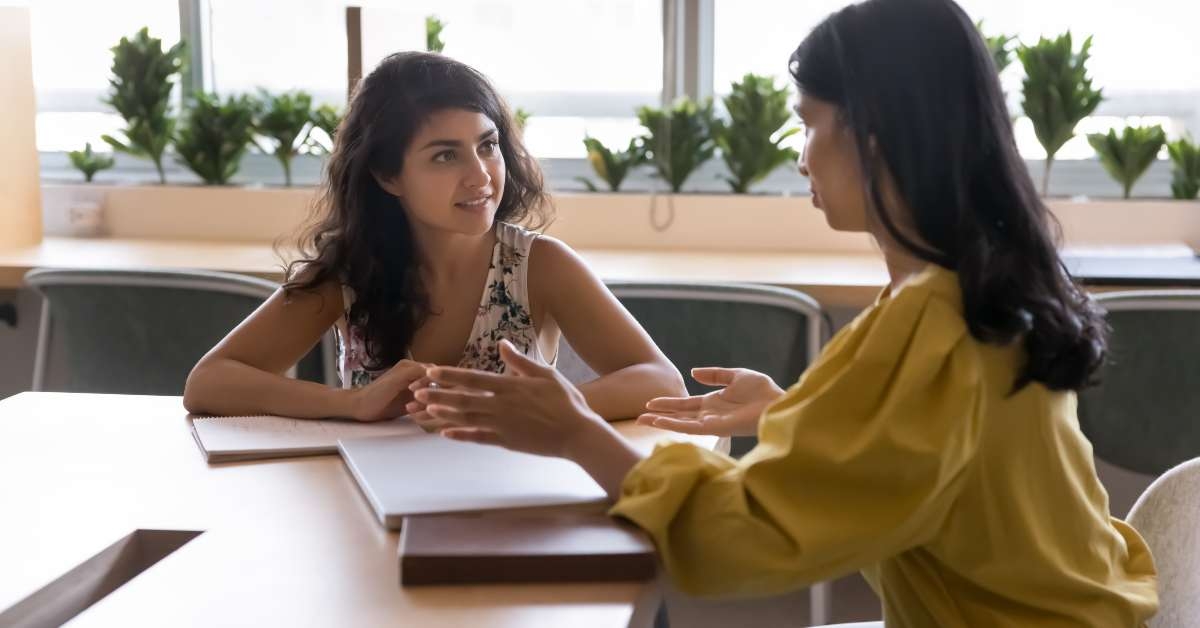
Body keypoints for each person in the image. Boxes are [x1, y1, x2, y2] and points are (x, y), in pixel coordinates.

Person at [408, 1, 1159, 624]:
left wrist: (575, 433)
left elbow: (744, 541)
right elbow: (931, 448)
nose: (802, 155)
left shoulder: (934, 322)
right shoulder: (982, 286)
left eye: (809, 122)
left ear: (873, 139)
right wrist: (795, 411)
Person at [183, 52, 686, 425]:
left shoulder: (540, 265)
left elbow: (661, 382)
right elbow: (208, 383)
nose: (480, 176)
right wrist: (352, 404)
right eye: (446, 156)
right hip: (376, 501)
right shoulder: (349, 272)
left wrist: (520, 407)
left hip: (514, 498)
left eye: (487, 146)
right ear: (387, 175)